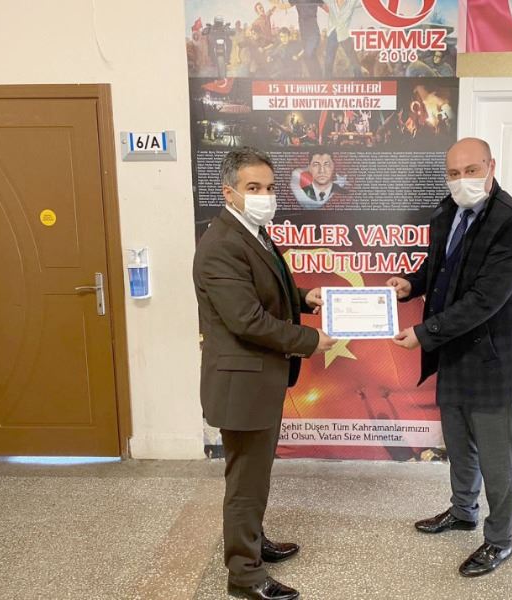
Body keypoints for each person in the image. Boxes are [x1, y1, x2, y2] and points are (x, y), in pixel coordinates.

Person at [193, 147, 336, 600]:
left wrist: (304, 298)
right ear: (229, 192)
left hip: (259, 379)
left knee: (255, 477)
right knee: (245, 483)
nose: (265, 196)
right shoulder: (220, 246)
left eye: (270, 187)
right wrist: (309, 340)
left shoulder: (250, 231)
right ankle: (245, 575)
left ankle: (253, 543)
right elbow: (247, 320)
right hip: (242, 383)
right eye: (253, 188)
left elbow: (267, 288)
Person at [387, 137, 512, 579]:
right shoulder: (448, 209)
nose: (462, 180)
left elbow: (485, 298)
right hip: (453, 351)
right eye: (453, 173)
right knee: (457, 441)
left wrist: (424, 333)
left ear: (491, 167)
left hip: (492, 358)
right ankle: (463, 511)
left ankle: (499, 540)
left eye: (471, 170)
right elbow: (440, 266)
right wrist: (412, 285)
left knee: (495, 456)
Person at [322, 0, 362, 78]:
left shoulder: (351, 2)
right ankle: (327, 79)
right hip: (332, 33)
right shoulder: (331, 2)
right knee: (329, 59)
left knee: (353, 58)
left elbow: (365, 3)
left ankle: (359, 78)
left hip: (344, 34)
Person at [288, 0, 323, 78]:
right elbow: (284, 6)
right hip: (304, 32)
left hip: (313, 32)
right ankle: (316, 78)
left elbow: (328, 8)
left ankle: (318, 78)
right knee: (308, 57)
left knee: (308, 54)